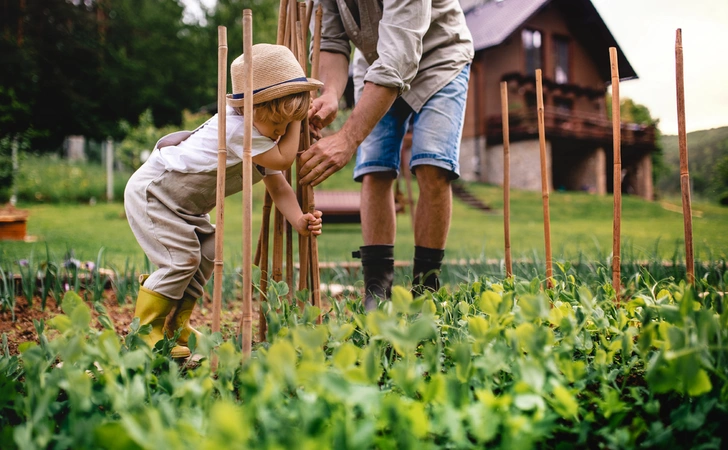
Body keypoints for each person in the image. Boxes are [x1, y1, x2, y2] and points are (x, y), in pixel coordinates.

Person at [124, 44, 324, 358]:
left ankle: (176, 327)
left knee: (205, 253)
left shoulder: (260, 134)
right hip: (155, 195)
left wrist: (298, 219)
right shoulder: (236, 130)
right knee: (181, 261)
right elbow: (285, 160)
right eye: (277, 127)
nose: (281, 134)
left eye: (286, 128)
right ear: (250, 110)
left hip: (185, 207)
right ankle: (145, 334)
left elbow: (278, 183)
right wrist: (298, 119)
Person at [299, 0, 474, 310]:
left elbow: (399, 57)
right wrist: (329, 94)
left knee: (432, 166)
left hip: (438, 57)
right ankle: (377, 293)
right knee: (374, 169)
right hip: (376, 63)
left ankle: (425, 293)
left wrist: (348, 137)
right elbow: (331, 41)